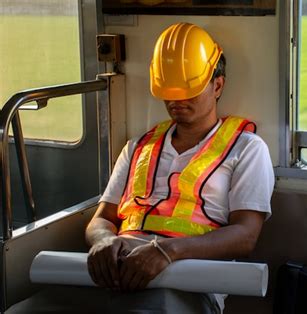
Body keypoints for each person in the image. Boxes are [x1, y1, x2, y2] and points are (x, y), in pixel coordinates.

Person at [84, 22, 274, 313]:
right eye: (169, 91)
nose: (176, 100)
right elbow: (102, 218)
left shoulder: (247, 149)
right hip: (117, 274)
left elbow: (246, 234)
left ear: (218, 85)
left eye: (189, 90)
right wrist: (103, 241)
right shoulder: (137, 146)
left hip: (187, 282)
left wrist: (167, 251)